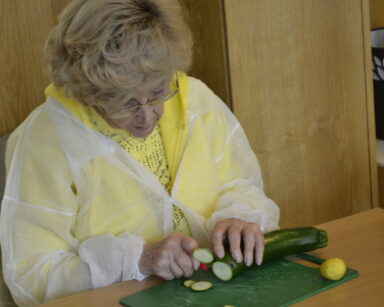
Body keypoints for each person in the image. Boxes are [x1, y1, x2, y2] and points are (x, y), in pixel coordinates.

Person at [0, 0, 279, 306]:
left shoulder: (195, 99)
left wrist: (239, 218)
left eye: (159, 91)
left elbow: (241, 184)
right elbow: (32, 278)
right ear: (86, 92)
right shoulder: (46, 139)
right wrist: (136, 260)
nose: (149, 115)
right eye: (125, 103)